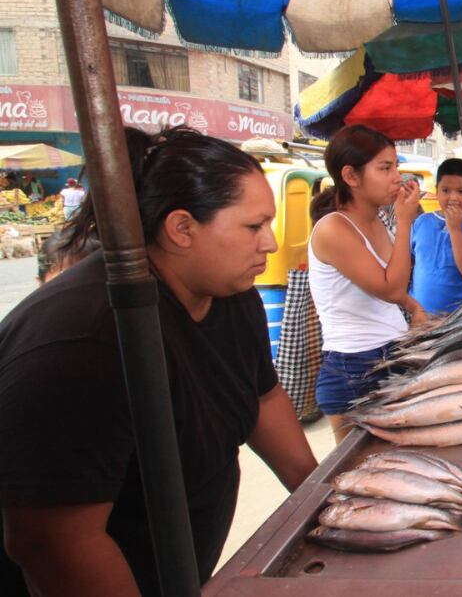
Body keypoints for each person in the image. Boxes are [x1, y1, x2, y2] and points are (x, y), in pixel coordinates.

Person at [0, 127, 318, 596]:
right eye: (254, 227)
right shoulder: (84, 339)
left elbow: (262, 397)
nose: (270, 244)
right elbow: (52, 541)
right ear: (182, 228)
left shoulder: (232, 297)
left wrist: (321, 502)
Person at [308, 125, 426, 442]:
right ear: (351, 176)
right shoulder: (333, 229)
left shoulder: (377, 220)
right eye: (385, 168)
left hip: (392, 350)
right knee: (360, 464)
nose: (396, 177)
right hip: (354, 367)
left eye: (396, 167)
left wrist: (414, 307)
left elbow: (389, 283)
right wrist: (405, 221)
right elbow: (391, 288)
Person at [409, 158, 462, 315]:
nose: (453, 197)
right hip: (419, 316)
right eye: (446, 190)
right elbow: (408, 261)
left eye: (461, 192)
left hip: (460, 319)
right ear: (437, 191)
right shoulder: (422, 222)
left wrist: (455, 230)